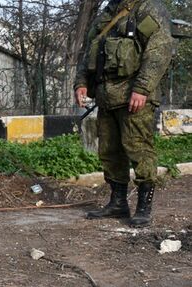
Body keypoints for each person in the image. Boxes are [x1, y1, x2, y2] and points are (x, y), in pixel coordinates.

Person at [74, 0, 173, 227]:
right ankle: (118, 202)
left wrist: (142, 88)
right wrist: (81, 83)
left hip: (133, 95)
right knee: (109, 151)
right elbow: (92, 49)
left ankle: (143, 207)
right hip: (106, 96)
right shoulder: (107, 13)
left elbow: (159, 49)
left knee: (138, 148)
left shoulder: (146, 8)